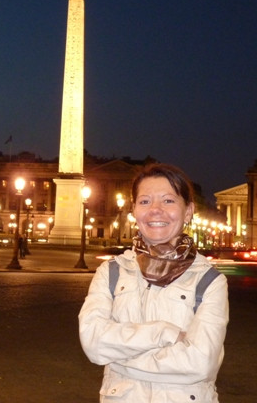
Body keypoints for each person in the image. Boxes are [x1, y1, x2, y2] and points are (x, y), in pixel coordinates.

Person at [78, 163, 229, 402]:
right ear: (134, 210)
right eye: (145, 201)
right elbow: (94, 345)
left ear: (188, 211)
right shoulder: (111, 272)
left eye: (168, 201)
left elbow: (201, 363)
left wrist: (118, 357)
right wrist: (163, 333)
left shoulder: (209, 280)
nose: (155, 210)